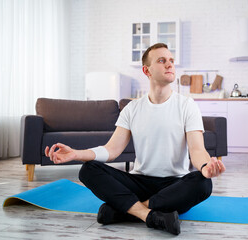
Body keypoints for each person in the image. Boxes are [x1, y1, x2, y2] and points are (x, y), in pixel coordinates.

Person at [45, 43, 225, 235]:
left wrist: (206, 168)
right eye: (162, 60)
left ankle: (125, 211)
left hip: (174, 185)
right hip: (139, 183)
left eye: (171, 61)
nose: (169, 65)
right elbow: (111, 150)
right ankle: (149, 215)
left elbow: (197, 150)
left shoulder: (187, 105)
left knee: (203, 183)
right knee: (89, 169)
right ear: (147, 70)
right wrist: (75, 154)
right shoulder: (132, 108)